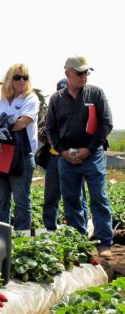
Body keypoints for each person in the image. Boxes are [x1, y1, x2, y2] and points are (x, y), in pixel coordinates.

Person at [46, 56, 114, 258]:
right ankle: (78, 241)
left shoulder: (96, 93)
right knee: (71, 199)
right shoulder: (56, 99)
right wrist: (63, 151)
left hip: (92, 155)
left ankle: (104, 242)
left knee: (98, 197)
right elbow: (51, 129)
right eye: (80, 72)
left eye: (86, 72)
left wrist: (88, 149)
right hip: (67, 156)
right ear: (67, 74)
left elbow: (106, 124)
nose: (84, 76)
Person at [0, 64, 39, 231]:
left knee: (21, 200)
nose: (22, 81)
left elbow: (22, 123)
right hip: (1, 156)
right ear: (9, 80)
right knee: (0, 200)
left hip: (22, 156)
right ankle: (1, 238)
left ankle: (21, 240)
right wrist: (1, 126)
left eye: (25, 77)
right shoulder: (1, 102)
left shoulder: (30, 98)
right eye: (17, 77)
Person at [40, 79, 88, 231]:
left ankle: (81, 231)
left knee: (77, 197)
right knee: (51, 196)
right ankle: (50, 229)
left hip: (75, 158)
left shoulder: (83, 109)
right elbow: (42, 131)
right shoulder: (51, 111)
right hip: (55, 158)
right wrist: (52, 135)